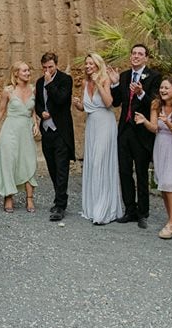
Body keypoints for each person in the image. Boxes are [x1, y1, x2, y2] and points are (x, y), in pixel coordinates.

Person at [110, 44, 161, 229]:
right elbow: (116, 102)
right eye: (134, 53)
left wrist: (141, 93)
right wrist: (115, 84)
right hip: (125, 130)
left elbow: (155, 103)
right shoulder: (124, 76)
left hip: (142, 131)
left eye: (140, 54)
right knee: (124, 171)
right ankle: (129, 210)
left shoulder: (154, 77)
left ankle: (143, 213)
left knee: (141, 173)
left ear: (146, 58)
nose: (136, 56)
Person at [71, 53, 123, 225]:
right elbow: (86, 107)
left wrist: (99, 84)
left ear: (98, 65)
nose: (88, 66)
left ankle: (104, 211)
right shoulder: (85, 83)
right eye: (86, 63)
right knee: (93, 163)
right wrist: (78, 104)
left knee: (100, 162)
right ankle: (93, 208)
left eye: (91, 63)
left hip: (105, 124)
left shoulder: (105, 79)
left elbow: (109, 103)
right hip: (92, 124)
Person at [135, 77, 172, 239]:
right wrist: (144, 121)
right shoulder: (156, 104)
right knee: (164, 185)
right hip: (160, 146)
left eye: (166, 88)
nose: (163, 90)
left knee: (171, 183)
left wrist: (167, 122)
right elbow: (154, 128)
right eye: (161, 88)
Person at [0, 61, 39, 213]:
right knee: (9, 161)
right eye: (24, 71)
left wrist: (36, 124)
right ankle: (8, 196)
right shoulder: (8, 91)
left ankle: (30, 198)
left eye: (28, 70)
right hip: (10, 130)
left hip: (26, 131)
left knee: (28, 161)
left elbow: (33, 110)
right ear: (16, 73)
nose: (28, 73)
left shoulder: (33, 89)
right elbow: (1, 110)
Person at [34, 52, 75, 222]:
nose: (47, 70)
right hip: (46, 131)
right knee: (52, 167)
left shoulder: (65, 79)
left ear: (56, 65)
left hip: (61, 131)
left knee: (61, 168)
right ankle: (59, 198)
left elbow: (60, 100)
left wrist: (50, 83)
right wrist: (40, 112)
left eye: (50, 67)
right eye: (44, 67)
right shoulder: (39, 82)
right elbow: (38, 103)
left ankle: (60, 205)